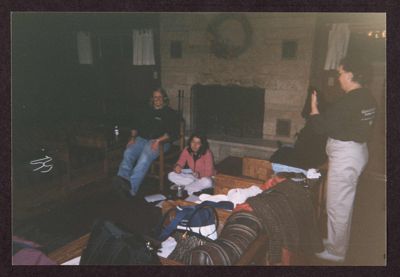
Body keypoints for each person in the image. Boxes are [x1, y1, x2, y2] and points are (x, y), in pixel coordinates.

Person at [310, 56, 377, 262]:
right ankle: (335, 243)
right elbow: (343, 120)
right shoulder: (366, 96)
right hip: (355, 153)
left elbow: (321, 126)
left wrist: (314, 108)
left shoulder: (351, 99)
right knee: (342, 204)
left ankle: (336, 252)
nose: (339, 78)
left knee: (338, 206)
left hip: (347, 156)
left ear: (349, 74)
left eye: (340, 73)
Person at [114, 88, 179, 197]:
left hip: (161, 142)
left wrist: (158, 140)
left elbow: (173, 133)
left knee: (144, 157)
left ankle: (131, 189)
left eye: (159, 97)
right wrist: (132, 137)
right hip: (142, 139)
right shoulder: (145, 111)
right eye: (155, 97)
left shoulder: (170, 113)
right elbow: (135, 126)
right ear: (152, 99)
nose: (157, 99)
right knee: (128, 152)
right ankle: (122, 180)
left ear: (164, 98)